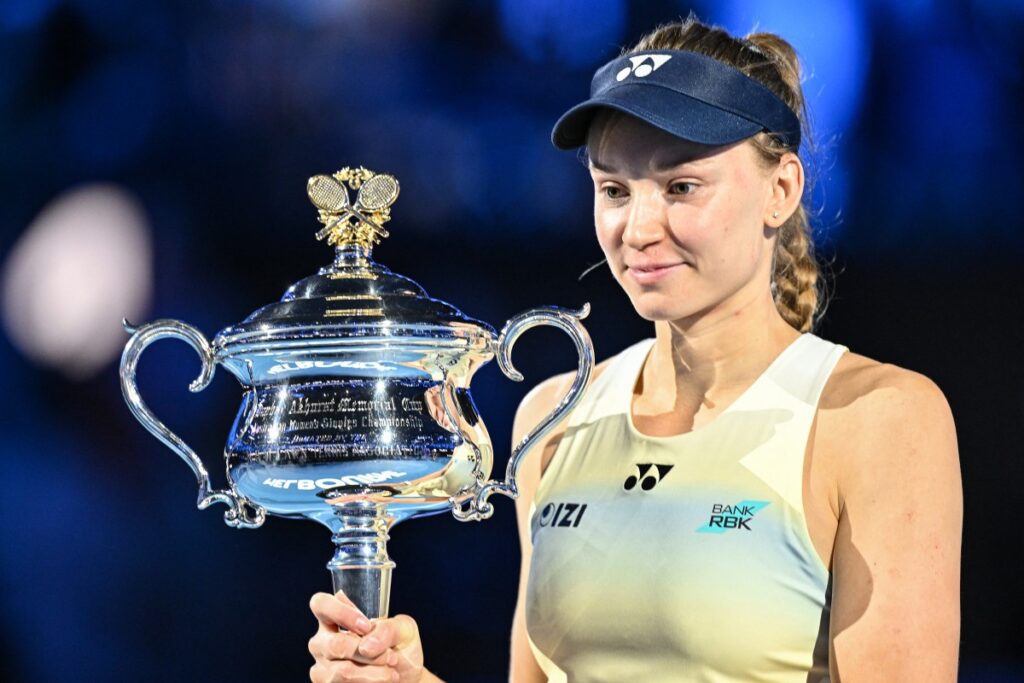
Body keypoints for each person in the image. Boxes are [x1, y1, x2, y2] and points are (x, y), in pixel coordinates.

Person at [306, 16, 962, 683]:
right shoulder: (552, 419)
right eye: (614, 189)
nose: (639, 228)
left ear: (781, 190)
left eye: (681, 186)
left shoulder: (882, 419)